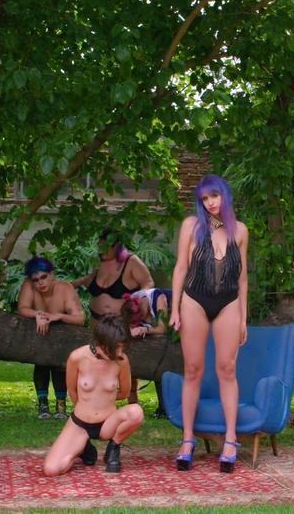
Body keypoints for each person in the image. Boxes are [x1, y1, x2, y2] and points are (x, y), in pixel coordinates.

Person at [170, 174, 249, 473]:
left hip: (228, 303)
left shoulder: (240, 231)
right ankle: (187, 439)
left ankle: (230, 440)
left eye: (214, 196)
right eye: (204, 198)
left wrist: (243, 318)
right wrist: (175, 308)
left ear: (224, 195)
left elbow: (242, 279)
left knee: (226, 369)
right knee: (193, 369)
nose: (210, 203)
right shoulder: (191, 226)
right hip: (194, 300)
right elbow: (181, 267)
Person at [43, 313, 145, 475]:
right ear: (100, 343)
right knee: (51, 470)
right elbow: (72, 390)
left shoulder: (121, 361)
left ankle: (114, 447)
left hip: (107, 423)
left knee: (136, 412)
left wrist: (104, 398)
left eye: (122, 347)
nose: (119, 352)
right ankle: (83, 448)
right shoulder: (77, 357)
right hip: (80, 423)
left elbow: (125, 392)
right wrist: (86, 407)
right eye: (115, 347)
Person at [72, 228, 154, 403]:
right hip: (96, 322)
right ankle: (95, 395)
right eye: (100, 246)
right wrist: (69, 285)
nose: (101, 250)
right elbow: (90, 279)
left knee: (123, 358)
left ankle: (131, 397)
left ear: (116, 246)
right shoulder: (99, 263)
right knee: (97, 358)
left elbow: (148, 282)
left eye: (105, 246)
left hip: (120, 323)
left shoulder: (131, 261)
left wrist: (139, 300)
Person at [18, 256, 85, 420]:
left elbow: (80, 319)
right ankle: (43, 404)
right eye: (36, 280)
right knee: (41, 363)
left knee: (59, 366)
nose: (40, 283)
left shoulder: (65, 288)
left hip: (61, 336)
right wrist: (38, 314)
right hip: (39, 334)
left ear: (52, 274)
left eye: (43, 277)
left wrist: (59, 316)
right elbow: (23, 308)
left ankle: (61, 405)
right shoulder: (29, 285)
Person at [124, 288, 173, 417]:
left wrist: (144, 329)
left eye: (141, 316)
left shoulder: (159, 298)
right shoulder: (130, 306)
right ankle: (162, 408)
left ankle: (168, 407)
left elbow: (162, 329)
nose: (142, 319)